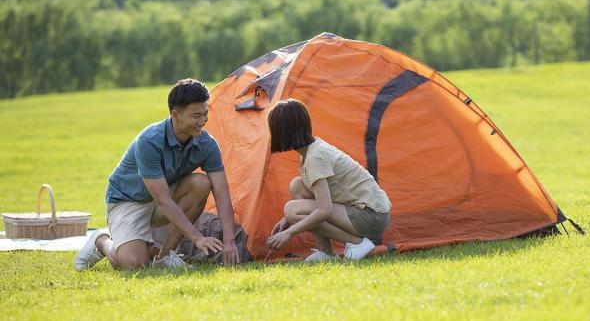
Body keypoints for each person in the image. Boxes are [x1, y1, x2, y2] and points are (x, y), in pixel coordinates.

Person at [74, 79, 240, 270]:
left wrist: (229, 240)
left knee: (201, 183)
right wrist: (197, 237)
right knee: (134, 265)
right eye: (196, 116)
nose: (203, 121)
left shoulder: (207, 144)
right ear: (175, 115)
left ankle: (164, 256)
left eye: (205, 114)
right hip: (128, 201)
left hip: (163, 199)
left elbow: (222, 192)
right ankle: (101, 241)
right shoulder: (149, 140)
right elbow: (163, 200)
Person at [266, 99, 391, 262]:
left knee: (292, 210)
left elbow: (324, 209)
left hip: (371, 215)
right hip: (362, 211)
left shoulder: (315, 157)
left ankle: (357, 243)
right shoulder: (310, 151)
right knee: (297, 186)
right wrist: (287, 221)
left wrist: (290, 231)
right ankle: (325, 253)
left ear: (283, 131)